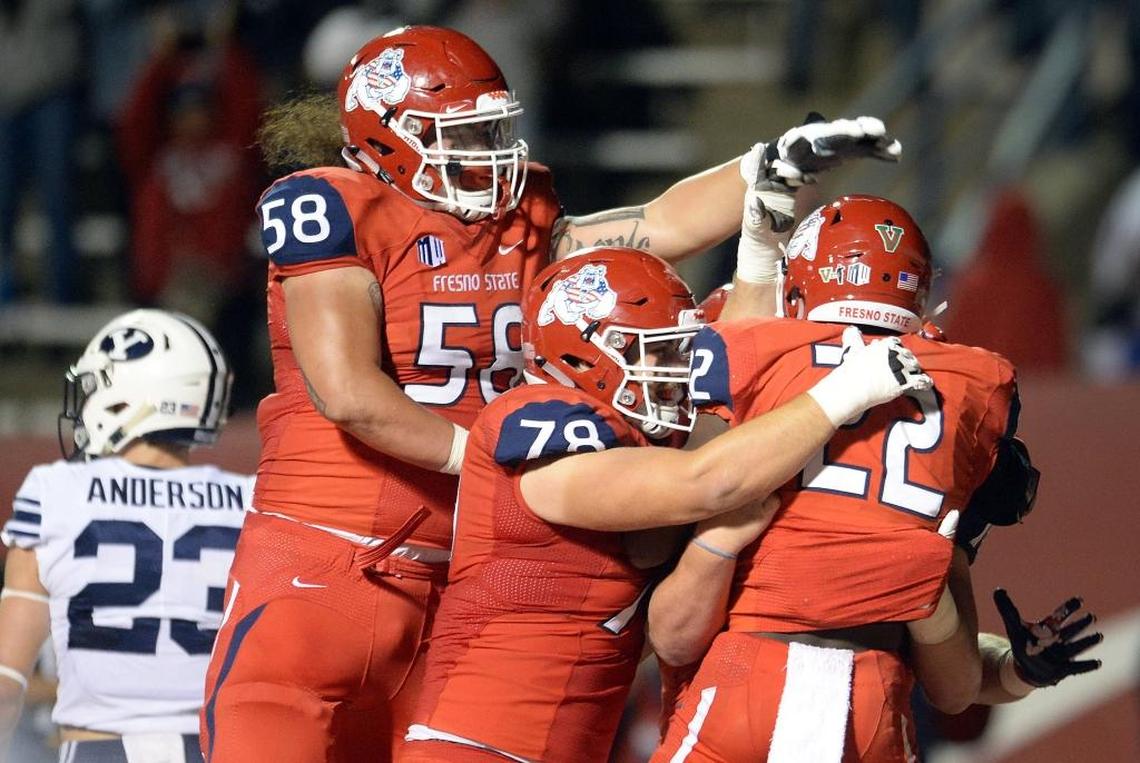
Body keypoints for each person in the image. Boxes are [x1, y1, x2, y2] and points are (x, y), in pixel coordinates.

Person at [199, 23, 904, 763]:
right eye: (461, 137)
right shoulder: (331, 205)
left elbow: (656, 225)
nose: (487, 153)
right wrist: (487, 467)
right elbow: (348, 393)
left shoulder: (517, 215)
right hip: (327, 561)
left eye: (488, 130)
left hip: (460, 590)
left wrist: (766, 167)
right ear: (386, 136)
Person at [401, 246, 931, 762]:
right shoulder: (541, 415)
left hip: (559, 741)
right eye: (657, 353)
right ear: (589, 346)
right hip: (475, 739)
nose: (676, 373)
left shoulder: (637, 450)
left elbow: (715, 398)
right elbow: (708, 480)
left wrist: (758, 252)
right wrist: (846, 391)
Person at [649, 195, 1100, 763]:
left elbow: (672, 634)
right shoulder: (967, 389)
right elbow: (954, 681)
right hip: (872, 699)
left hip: (743, 674)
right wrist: (1011, 669)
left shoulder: (746, 354)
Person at [0, 309, 250, 763]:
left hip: (100, 750)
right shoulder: (251, 502)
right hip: (217, 749)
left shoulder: (54, 493)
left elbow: (5, 681)